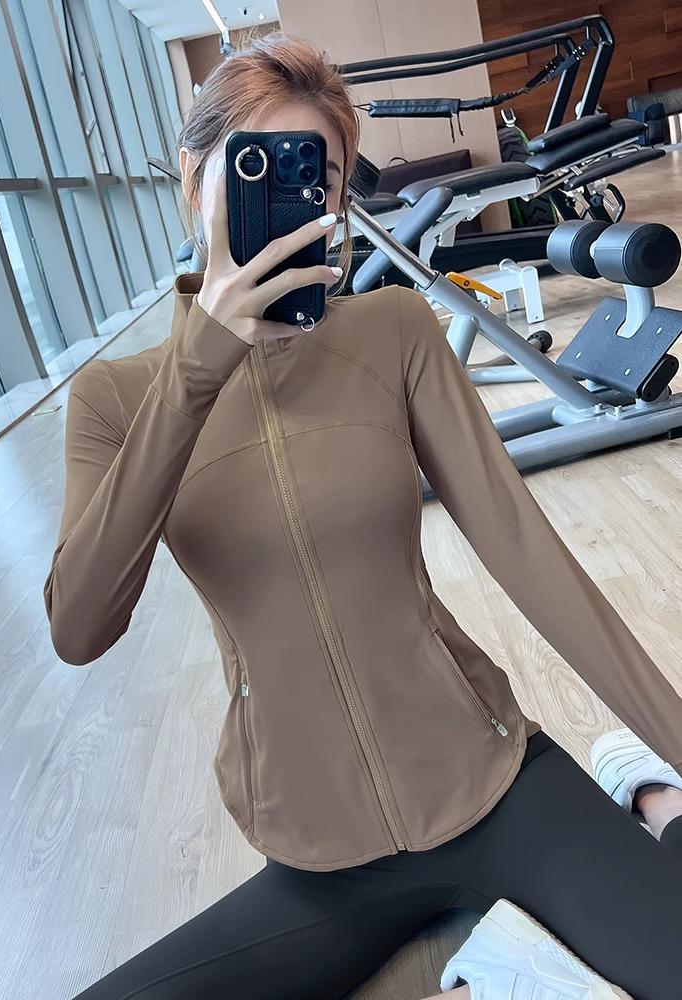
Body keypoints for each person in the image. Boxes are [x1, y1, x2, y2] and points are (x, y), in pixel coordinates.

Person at [43, 31, 682, 1000]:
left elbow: (527, 551)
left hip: (493, 779)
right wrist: (200, 365)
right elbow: (80, 627)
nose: (295, 199)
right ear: (192, 176)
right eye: (254, 166)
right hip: (321, 850)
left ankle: (653, 789)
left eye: (321, 178)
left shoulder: (394, 332)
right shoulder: (113, 399)